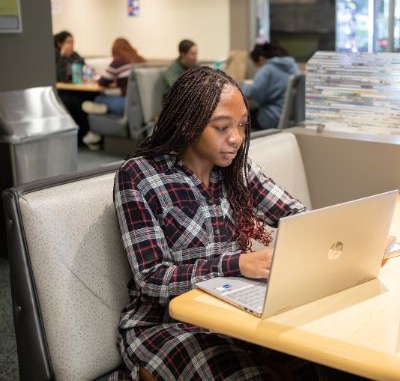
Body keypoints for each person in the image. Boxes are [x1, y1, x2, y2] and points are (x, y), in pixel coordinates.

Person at [109, 67, 320, 381]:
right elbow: (151, 279)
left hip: (228, 312)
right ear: (185, 123)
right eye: (222, 127)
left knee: (317, 361)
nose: (236, 138)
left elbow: (298, 217)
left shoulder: (237, 168)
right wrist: (237, 264)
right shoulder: (140, 176)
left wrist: (345, 238)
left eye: (242, 125)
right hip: (163, 324)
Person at [81, 38, 146, 146]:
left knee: (98, 98)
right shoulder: (140, 59)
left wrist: (97, 78)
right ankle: (97, 125)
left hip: (126, 104)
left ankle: (99, 120)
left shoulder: (119, 61)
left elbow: (103, 82)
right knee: (106, 96)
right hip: (141, 104)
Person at [241, 42, 299, 130]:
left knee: (238, 117)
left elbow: (256, 95)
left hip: (271, 117)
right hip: (289, 117)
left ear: (261, 59)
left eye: (258, 65)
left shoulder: (267, 69)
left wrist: (241, 87)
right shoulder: (292, 67)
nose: (258, 68)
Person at [54, 31, 91, 144]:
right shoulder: (55, 55)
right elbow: (60, 76)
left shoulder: (75, 55)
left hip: (75, 89)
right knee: (75, 102)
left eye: (72, 42)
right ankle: (79, 136)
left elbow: (84, 67)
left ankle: (87, 134)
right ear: (60, 44)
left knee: (89, 98)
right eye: (68, 42)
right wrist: (63, 57)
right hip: (61, 91)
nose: (71, 45)